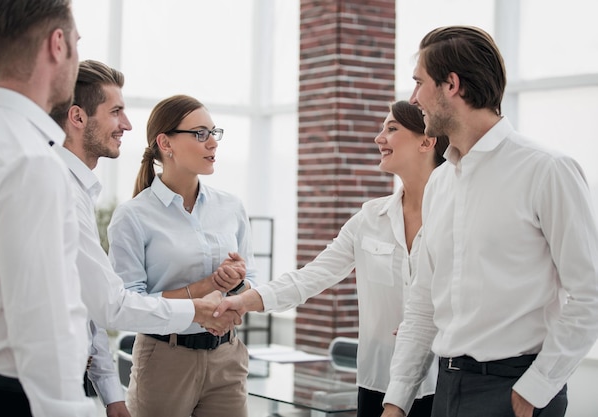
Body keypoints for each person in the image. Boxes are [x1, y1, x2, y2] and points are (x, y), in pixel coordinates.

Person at [378, 26, 598, 417]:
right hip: (446, 388)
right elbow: (424, 303)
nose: (414, 99)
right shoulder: (441, 181)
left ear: (451, 85)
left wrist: (536, 387)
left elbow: (590, 293)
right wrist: (397, 401)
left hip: (516, 391)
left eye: (419, 83)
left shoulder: (547, 170)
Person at [214, 100, 448, 416]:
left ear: (427, 141)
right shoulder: (369, 219)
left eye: (391, 129)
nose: (379, 138)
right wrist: (244, 300)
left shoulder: (455, 217)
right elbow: (311, 276)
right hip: (380, 382)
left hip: (444, 383)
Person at [50, 60, 241, 417]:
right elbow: (114, 305)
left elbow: (88, 303)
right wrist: (198, 302)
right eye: (116, 111)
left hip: (226, 356)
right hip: (154, 359)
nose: (127, 124)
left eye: (214, 131)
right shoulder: (67, 191)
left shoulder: (74, 189)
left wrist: (110, 390)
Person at [0, 1, 96, 416]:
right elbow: (44, 327)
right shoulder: (32, 160)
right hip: (16, 399)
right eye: (77, 43)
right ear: (57, 45)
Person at [107, 94, 256, 417]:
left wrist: (236, 287)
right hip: (164, 359)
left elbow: (251, 282)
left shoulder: (231, 207)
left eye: (214, 133)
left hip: (227, 357)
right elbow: (128, 304)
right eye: (200, 134)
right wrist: (205, 288)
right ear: (165, 143)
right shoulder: (133, 216)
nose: (212, 143)